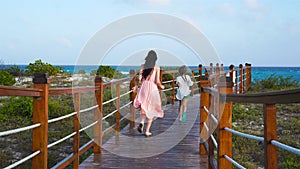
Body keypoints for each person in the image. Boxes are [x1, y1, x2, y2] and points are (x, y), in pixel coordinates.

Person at [133, 50, 164, 137]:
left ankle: (142, 122)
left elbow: (139, 79)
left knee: (144, 105)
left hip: (144, 87)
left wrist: (136, 87)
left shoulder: (143, 66)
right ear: (155, 59)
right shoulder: (156, 68)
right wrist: (162, 86)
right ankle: (147, 131)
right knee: (151, 109)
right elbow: (157, 81)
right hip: (152, 88)